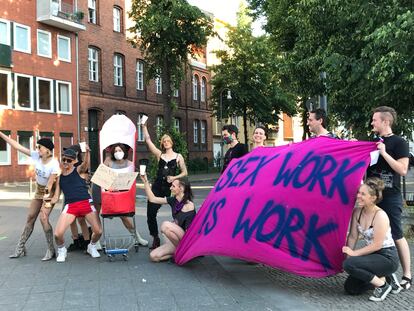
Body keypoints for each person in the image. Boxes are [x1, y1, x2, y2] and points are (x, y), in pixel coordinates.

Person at [367, 106, 411, 290]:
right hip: (371, 197)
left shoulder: (400, 143)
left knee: (396, 234)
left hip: (390, 196)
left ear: (385, 121)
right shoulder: (372, 141)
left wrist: (384, 152)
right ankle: (382, 274)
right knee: (374, 234)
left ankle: (407, 275)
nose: (372, 122)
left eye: (375, 119)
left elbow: (402, 170)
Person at [0, 132, 60, 261]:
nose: (37, 149)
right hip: (39, 190)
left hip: (49, 191)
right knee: (30, 217)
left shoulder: (54, 164)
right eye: (37, 147)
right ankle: (20, 248)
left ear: (48, 150)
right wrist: (1, 134)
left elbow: (50, 184)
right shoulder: (36, 156)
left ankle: (51, 249)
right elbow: (17, 146)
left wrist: (47, 199)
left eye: (40, 147)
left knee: (43, 218)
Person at [342, 178, 399, 301]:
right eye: (358, 192)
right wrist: (347, 255)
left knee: (349, 264)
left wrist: (354, 254)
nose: (358, 196)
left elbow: (377, 245)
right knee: (351, 288)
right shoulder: (357, 212)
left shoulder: (380, 216)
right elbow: (352, 236)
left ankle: (382, 286)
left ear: (373, 198)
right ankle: (385, 278)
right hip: (372, 256)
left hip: (387, 257)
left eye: (363, 194)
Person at [51, 147, 102, 262]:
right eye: (63, 159)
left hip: (86, 203)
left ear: (74, 161)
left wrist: (87, 152)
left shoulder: (78, 170)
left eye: (69, 160)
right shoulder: (59, 178)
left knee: (98, 231)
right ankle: (61, 250)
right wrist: (45, 204)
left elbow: (84, 165)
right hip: (71, 206)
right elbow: (55, 197)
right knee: (58, 234)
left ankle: (92, 246)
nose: (65, 162)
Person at [91, 143, 148, 246]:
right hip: (101, 187)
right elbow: (101, 175)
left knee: (123, 215)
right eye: (116, 151)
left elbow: (130, 181)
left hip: (118, 190)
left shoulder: (129, 164)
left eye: (120, 151)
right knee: (97, 213)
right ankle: (96, 240)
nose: (118, 153)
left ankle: (137, 236)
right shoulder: (108, 160)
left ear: (124, 152)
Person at [142, 123, 188, 250]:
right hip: (157, 186)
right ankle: (155, 237)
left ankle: (183, 235)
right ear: (162, 144)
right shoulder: (159, 155)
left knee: (179, 210)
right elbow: (148, 140)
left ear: (171, 143)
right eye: (164, 141)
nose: (166, 142)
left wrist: (174, 178)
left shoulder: (178, 156)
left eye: (168, 141)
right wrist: (144, 127)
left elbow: (185, 172)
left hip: (170, 188)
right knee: (151, 213)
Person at [140, 174, 195, 262]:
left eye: (173, 186)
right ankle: (177, 253)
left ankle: (184, 252)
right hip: (175, 239)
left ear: (181, 188)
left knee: (166, 225)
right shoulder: (173, 200)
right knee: (153, 256)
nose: (170, 188)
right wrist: (145, 181)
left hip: (186, 239)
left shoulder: (189, 206)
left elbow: (190, 232)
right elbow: (152, 199)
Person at [64, 144, 91, 251]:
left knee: (81, 220)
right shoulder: (65, 165)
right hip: (68, 195)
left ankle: (86, 242)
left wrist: (87, 153)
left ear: (76, 154)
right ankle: (75, 241)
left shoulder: (80, 166)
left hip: (79, 196)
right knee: (71, 220)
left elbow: (85, 169)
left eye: (70, 151)